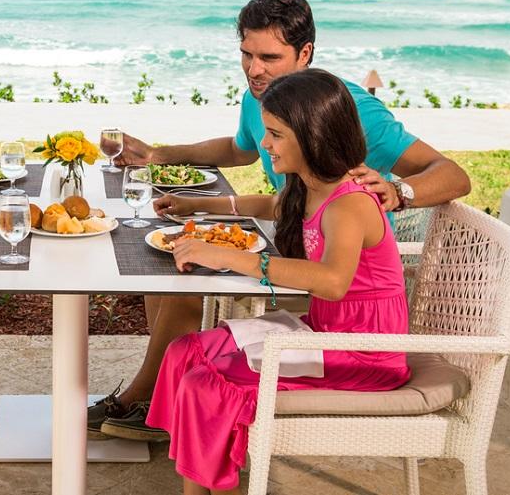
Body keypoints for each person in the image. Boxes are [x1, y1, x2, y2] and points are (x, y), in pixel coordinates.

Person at [90, 0, 470, 441]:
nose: (254, 70)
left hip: (339, 265)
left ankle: (147, 399)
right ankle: (170, 399)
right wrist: (158, 153)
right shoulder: (264, 95)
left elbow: (454, 176)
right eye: (246, 55)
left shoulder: (344, 110)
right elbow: (240, 148)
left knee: (187, 282)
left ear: (304, 53)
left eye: (269, 56)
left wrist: (399, 190)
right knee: (172, 255)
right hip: (290, 227)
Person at [147, 69, 411, 494]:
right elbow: (274, 204)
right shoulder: (312, 185)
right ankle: (201, 481)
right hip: (324, 337)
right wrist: (196, 205)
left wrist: (228, 257)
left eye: (274, 134)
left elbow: (332, 282)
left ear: (312, 136)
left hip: (362, 354)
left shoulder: (351, 203)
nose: (264, 144)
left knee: (204, 384)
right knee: (184, 353)